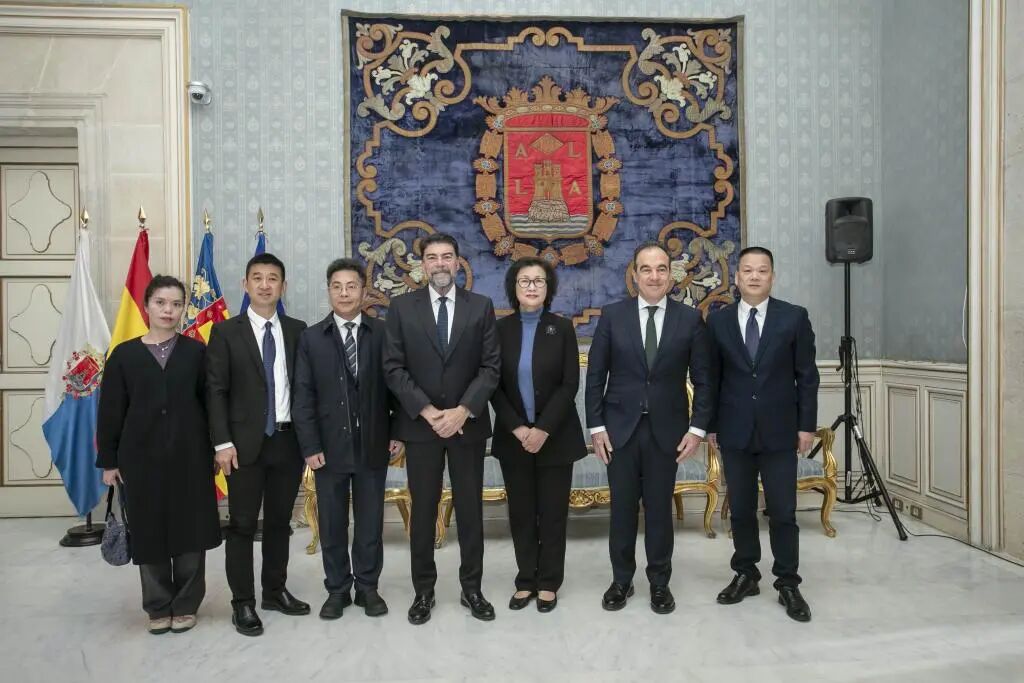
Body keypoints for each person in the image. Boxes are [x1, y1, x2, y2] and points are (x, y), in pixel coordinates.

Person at [585, 241, 714, 614]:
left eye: (661, 269)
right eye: (646, 269)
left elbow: (704, 380)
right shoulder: (613, 315)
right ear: (635, 274)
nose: (654, 276)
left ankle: (660, 583)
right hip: (619, 432)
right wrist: (596, 427)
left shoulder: (689, 319)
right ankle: (621, 581)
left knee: (659, 511)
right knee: (622, 510)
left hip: (667, 432)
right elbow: (595, 376)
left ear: (671, 275)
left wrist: (697, 430)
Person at [382, 232, 501, 625]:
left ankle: (472, 589)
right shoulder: (402, 308)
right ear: (423, 265)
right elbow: (393, 367)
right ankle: (423, 592)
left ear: (458, 262)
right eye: (432, 257)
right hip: (422, 428)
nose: (439, 264)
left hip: (467, 427)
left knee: (469, 511)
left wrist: (463, 410)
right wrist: (428, 411)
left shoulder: (480, 306)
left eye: (446, 256)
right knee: (423, 512)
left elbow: (490, 367)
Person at [96, 275, 221, 635]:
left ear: (184, 309)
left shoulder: (197, 352)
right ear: (147, 306)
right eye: (161, 303)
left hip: (191, 455)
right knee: (148, 531)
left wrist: (217, 447)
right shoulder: (124, 355)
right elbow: (110, 411)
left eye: (176, 304)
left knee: (191, 530)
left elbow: (211, 404)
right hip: (139, 459)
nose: (168, 310)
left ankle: (186, 604)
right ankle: (157, 605)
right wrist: (109, 460)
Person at [707, 246, 819, 622]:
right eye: (747, 270)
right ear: (737, 277)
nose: (755, 276)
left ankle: (787, 582)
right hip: (734, 430)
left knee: (783, 511)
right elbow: (711, 378)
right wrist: (711, 425)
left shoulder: (793, 317)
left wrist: (806, 426)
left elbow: (807, 377)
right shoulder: (718, 321)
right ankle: (746, 573)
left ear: (772, 276)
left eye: (762, 270)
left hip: (780, 431)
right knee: (740, 509)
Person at [292, 258, 402, 620]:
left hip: (373, 443)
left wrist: (397, 432)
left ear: (363, 291)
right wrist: (310, 446)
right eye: (337, 286)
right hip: (328, 449)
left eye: (351, 286)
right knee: (333, 523)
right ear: (329, 291)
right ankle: (337, 589)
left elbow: (398, 387)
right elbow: (303, 396)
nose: (344, 293)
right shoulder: (311, 338)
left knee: (370, 522)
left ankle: (367, 587)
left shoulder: (383, 333)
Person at [206, 252, 309, 636]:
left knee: (280, 524)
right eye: (258, 278)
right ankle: (243, 602)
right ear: (245, 284)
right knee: (243, 525)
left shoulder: (298, 330)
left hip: (287, 441)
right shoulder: (225, 332)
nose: (265, 285)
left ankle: (274, 591)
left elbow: (305, 389)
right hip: (242, 446)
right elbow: (215, 391)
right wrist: (222, 443)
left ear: (283, 286)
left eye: (273, 278)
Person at [490, 257, 587, 613]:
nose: (532, 287)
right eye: (524, 281)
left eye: (539, 281)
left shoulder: (561, 328)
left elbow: (569, 384)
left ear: (549, 288)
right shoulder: (498, 330)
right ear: (513, 288)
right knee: (521, 513)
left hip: (555, 437)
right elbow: (492, 384)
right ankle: (525, 580)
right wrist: (518, 428)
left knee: (552, 514)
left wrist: (542, 429)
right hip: (513, 437)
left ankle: (548, 582)